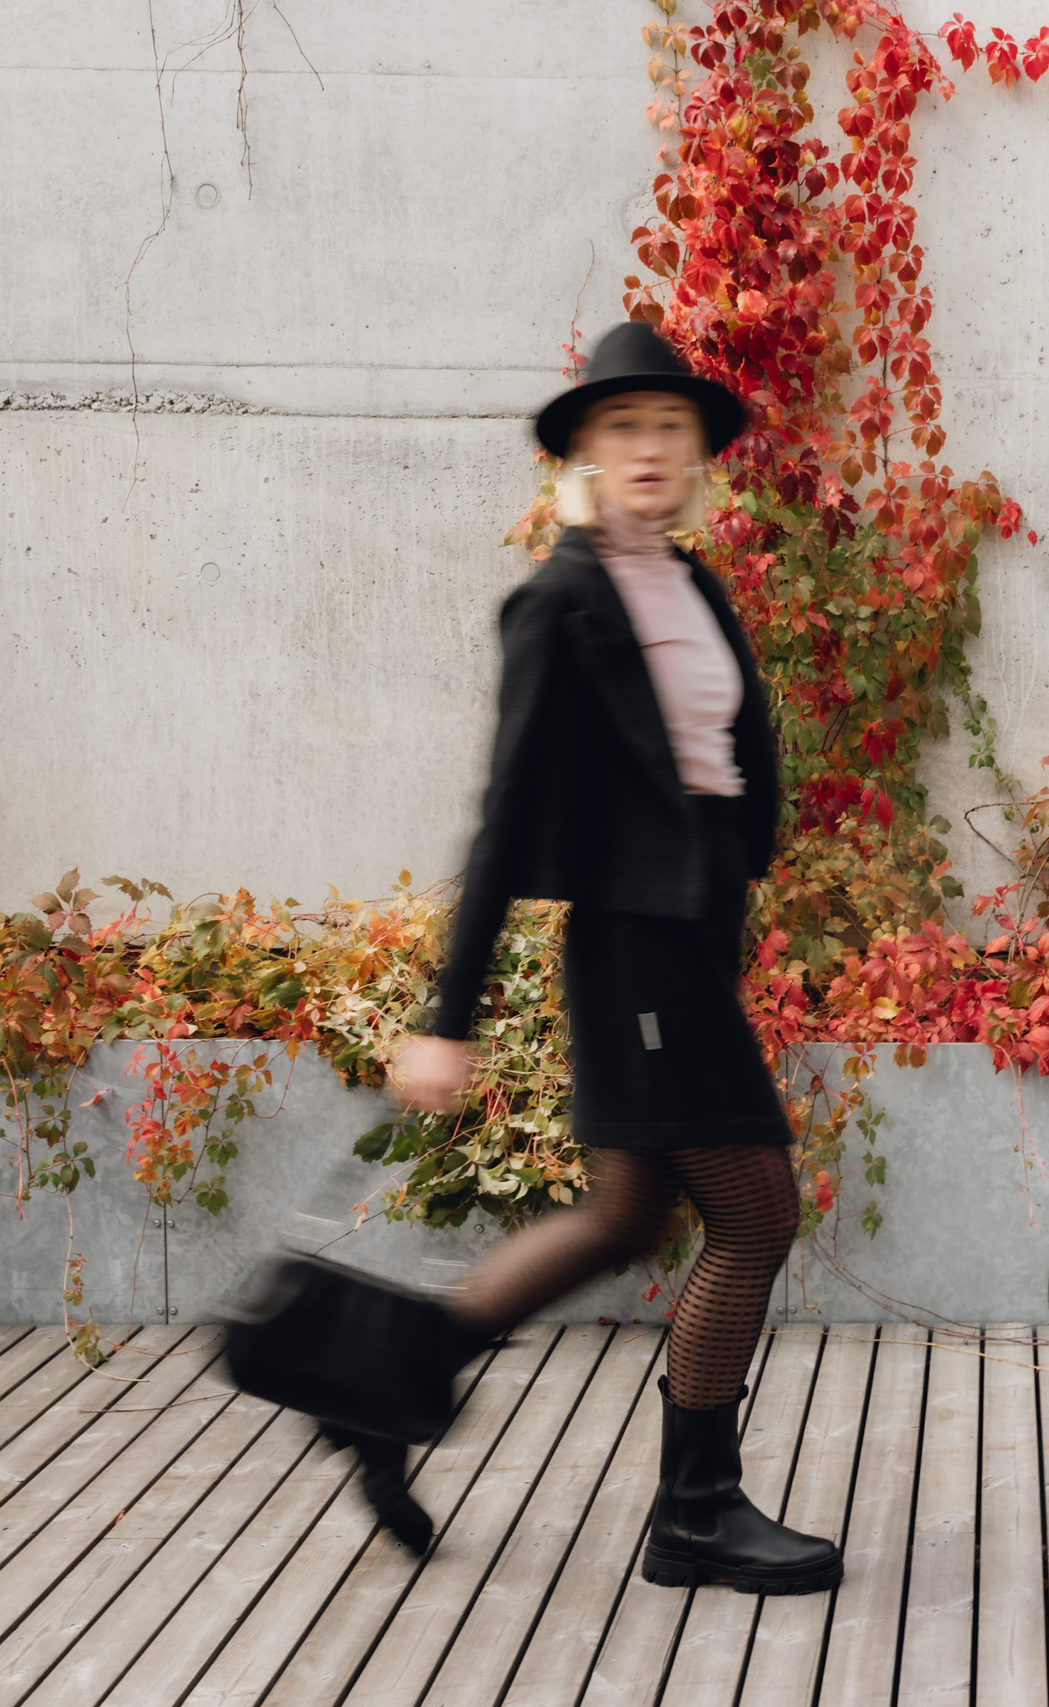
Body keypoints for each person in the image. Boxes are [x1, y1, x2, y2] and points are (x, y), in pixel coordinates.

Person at [375, 320, 839, 1594]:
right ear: (582, 449)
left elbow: (724, 772)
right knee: (754, 1215)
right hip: (634, 960)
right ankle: (696, 1513)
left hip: (687, 947)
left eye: (669, 428)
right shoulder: (562, 601)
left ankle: (382, 1383)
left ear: (697, 454)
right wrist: (446, 1014)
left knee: (628, 1214)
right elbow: (504, 806)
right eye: (623, 427)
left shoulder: (688, 583)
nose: (649, 448)